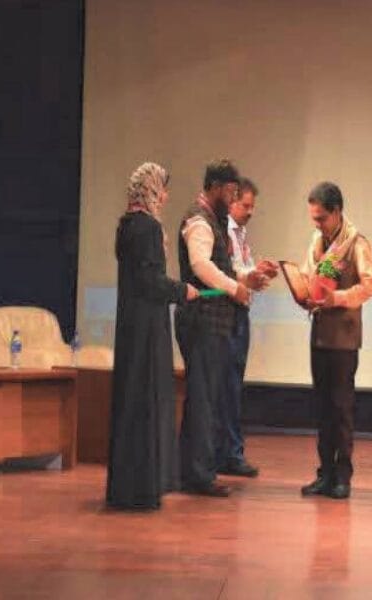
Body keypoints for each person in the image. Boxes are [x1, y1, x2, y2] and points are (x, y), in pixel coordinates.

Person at [175, 159, 270, 497]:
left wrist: (247, 279)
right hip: (201, 319)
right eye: (230, 192)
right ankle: (198, 475)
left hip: (212, 321)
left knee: (207, 397)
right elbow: (201, 266)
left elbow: (223, 267)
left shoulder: (212, 220)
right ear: (215, 187)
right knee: (203, 398)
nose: (232, 199)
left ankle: (192, 470)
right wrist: (235, 288)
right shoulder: (199, 220)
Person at [106, 162, 198, 511]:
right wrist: (182, 290)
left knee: (135, 400)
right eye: (163, 189)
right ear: (152, 189)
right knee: (145, 399)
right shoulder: (146, 227)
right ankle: (142, 488)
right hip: (146, 327)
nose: (166, 196)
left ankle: (132, 487)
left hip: (134, 324)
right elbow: (149, 281)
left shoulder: (128, 224)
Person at [299, 182, 372, 500]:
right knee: (321, 408)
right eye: (314, 218)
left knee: (341, 409)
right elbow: (308, 275)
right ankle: (325, 473)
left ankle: (343, 476)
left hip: (344, 338)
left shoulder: (356, 242)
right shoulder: (316, 240)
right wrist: (302, 291)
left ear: (337, 212)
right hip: (319, 335)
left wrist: (339, 298)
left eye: (321, 218)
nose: (317, 224)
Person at [218, 177, 278, 477]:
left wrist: (260, 273)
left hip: (240, 312)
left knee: (233, 385)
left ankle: (231, 452)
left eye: (253, 206)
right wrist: (251, 275)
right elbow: (228, 272)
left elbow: (245, 272)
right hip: (227, 312)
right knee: (227, 386)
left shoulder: (241, 233)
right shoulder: (224, 231)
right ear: (232, 202)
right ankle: (229, 453)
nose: (251, 212)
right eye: (246, 205)